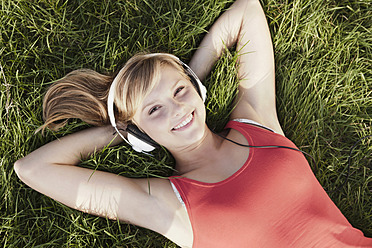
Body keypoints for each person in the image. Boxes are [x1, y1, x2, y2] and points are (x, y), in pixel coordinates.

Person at [14, 0, 372, 247]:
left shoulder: (257, 125)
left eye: (179, 91)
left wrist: (193, 79)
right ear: (140, 134)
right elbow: (32, 169)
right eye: (154, 111)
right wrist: (123, 130)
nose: (176, 110)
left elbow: (247, 11)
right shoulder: (167, 205)